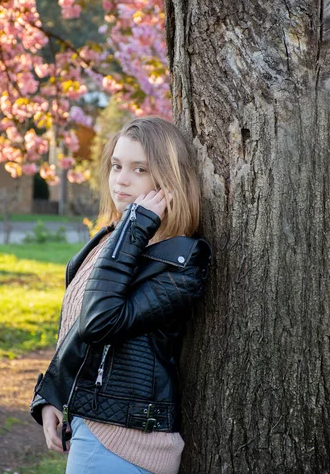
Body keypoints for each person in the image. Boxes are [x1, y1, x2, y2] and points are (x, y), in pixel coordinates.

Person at [30, 116, 212, 474]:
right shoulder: (109, 241)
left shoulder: (181, 258)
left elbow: (101, 320)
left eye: (139, 169)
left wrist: (135, 226)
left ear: (168, 180)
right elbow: (77, 331)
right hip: (91, 426)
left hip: (129, 442)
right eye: (116, 166)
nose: (121, 179)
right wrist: (51, 394)